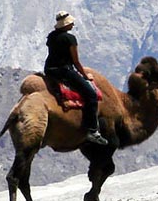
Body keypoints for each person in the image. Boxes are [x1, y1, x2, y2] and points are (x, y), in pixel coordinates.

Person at [44, 11, 109, 145]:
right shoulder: (70, 39)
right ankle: (92, 131)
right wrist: (85, 75)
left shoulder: (51, 37)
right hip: (64, 71)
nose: (73, 25)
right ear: (66, 25)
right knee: (91, 95)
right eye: (71, 23)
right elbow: (76, 61)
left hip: (49, 70)